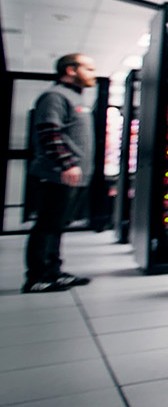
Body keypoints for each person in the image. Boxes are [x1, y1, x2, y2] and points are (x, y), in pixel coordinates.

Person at [23, 53, 97, 293]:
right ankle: (37, 277)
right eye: (88, 68)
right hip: (57, 174)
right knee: (46, 225)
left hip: (73, 175)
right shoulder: (55, 96)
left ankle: (53, 271)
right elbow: (48, 132)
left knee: (57, 225)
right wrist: (67, 163)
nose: (93, 74)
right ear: (70, 70)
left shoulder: (78, 99)